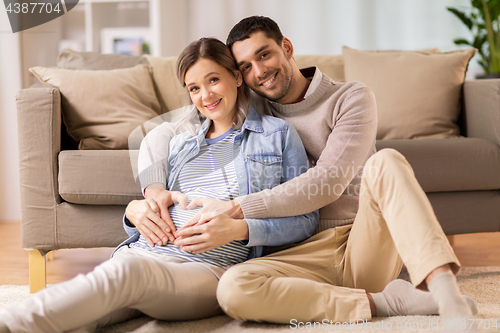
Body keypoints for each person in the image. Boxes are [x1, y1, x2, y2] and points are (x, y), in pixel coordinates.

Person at [162, 16, 478, 328]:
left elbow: (328, 182)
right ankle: (384, 301)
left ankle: (447, 297)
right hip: (298, 251)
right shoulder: (252, 108)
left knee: (387, 162)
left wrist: (238, 209)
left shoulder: (351, 97)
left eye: (264, 54)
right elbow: (166, 131)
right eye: (246, 66)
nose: (259, 72)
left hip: (360, 242)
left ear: (286, 47)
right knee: (232, 288)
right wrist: (149, 194)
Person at [0, 37, 317, 333]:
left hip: (206, 270)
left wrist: (242, 229)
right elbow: (153, 204)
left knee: (122, 279)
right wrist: (134, 211)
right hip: (140, 254)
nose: (205, 96)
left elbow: (305, 220)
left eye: (213, 80)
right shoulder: (180, 144)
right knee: (80, 318)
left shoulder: (277, 135)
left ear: (236, 77)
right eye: (194, 88)